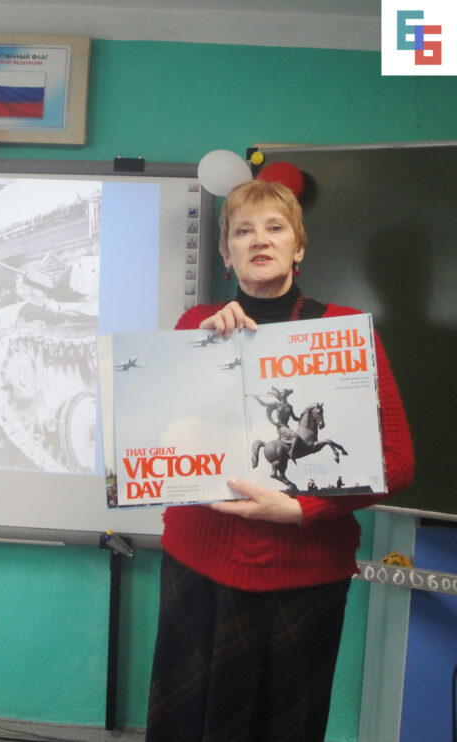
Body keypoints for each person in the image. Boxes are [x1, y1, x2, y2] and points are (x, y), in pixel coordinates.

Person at [146, 179, 414, 742]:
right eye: (242, 230)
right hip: (199, 568)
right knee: (188, 724)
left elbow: (395, 461)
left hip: (304, 577)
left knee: (285, 727)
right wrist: (202, 354)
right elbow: (162, 442)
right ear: (226, 255)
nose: (259, 239)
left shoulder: (344, 332)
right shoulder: (195, 326)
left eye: (275, 227)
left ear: (299, 247)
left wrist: (303, 509)